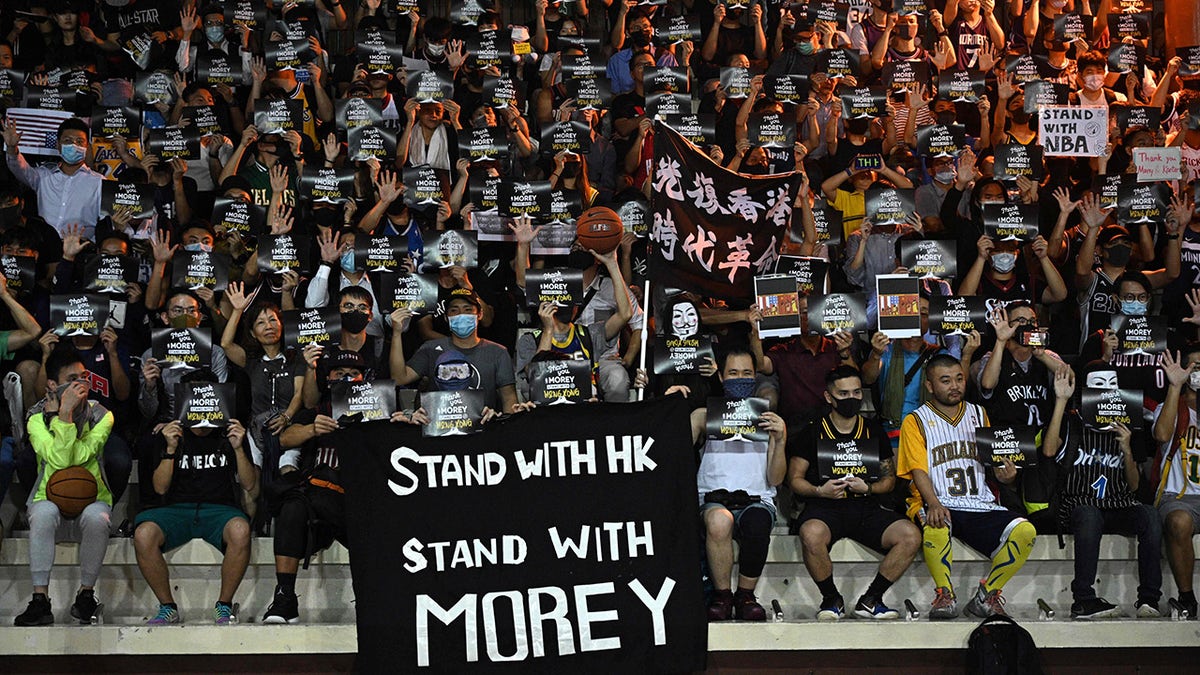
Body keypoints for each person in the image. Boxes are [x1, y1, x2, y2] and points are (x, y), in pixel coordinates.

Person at [267, 349, 424, 623]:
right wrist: (311, 430)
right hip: (318, 497)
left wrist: (402, 428)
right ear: (327, 378)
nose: (347, 379)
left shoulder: (383, 408)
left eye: (354, 374)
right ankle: (284, 597)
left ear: (365, 378)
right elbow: (284, 439)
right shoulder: (318, 411)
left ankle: (373, 597)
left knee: (377, 520)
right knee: (292, 509)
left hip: (364, 497)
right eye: (340, 374)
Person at [897, 354, 1037, 619]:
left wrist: (1005, 475)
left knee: (1025, 531)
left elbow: (991, 463)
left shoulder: (978, 413)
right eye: (946, 380)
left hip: (979, 502)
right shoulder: (914, 421)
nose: (955, 386)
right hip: (939, 501)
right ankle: (944, 596)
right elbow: (917, 470)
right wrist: (934, 503)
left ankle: (987, 596)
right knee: (935, 523)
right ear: (929, 386)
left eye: (959, 379)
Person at [789, 366, 922, 620]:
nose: (851, 398)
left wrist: (868, 487)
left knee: (910, 536)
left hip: (866, 507)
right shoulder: (812, 431)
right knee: (810, 533)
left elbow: (889, 480)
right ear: (829, 397)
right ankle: (831, 599)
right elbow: (794, 480)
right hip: (825, 507)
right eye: (843, 393)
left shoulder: (873, 430)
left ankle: (871, 600)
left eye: (856, 392)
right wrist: (820, 490)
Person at [1044, 361, 1163, 619]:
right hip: (1078, 504)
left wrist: (1128, 449)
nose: (1105, 391)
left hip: (1118, 504)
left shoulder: (1127, 423)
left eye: (1111, 385)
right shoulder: (1072, 422)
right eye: (1099, 385)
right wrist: (1061, 401)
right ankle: (1084, 599)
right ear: (1086, 389)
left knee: (1150, 515)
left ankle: (1149, 599)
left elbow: (1133, 486)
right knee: (1089, 514)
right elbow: (1049, 450)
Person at [688, 347, 787, 621]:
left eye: (746, 373)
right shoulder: (704, 415)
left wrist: (780, 440)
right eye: (733, 373)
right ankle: (722, 595)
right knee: (720, 522)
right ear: (721, 376)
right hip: (713, 498)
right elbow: (677, 448)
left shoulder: (768, 421)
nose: (739, 378)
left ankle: (746, 595)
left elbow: (777, 478)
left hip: (757, 498)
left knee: (756, 523)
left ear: (755, 377)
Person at [16, 349, 114, 626]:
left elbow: (73, 458)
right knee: (43, 513)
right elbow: (60, 461)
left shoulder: (103, 415)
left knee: (99, 517)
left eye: (84, 377)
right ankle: (40, 600)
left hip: (92, 496)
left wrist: (64, 417)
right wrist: (66, 414)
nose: (80, 384)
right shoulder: (35, 418)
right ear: (51, 385)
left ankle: (86, 596)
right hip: (49, 496)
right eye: (72, 379)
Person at [132, 413, 259, 625]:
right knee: (143, 534)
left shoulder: (229, 433)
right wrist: (170, 449)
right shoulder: (172, 433)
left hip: (219, 509)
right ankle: (167, 607)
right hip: (177, 510)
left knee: (240, 529)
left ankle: (224, 606)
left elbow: (249, 484)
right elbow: (160, 487)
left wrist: (237, 447)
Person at [390, 288, 519, 415]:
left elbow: (509, 398)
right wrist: (396, 333)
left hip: (484, 428)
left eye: (468, 310)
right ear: (446, 318)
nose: (461, 314)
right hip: (440, 428)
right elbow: (399, 378)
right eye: (454, 310)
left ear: (479, 314)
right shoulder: (430, 349)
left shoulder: (498, 352)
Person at [1152, 345, 1200, 620]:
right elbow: (1161, 435)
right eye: (1194, 366)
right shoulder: (1172, 406)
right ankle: (1187, 598)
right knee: (1179, 522)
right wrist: (1174, 387)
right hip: (1178, 496)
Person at [3, 116, 102, 238]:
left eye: (80, 141)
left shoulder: (99, 182)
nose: (74, 145)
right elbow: (19, 168)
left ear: (87, 147)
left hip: (81, 249)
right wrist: (12, 148)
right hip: (44, 247)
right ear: (58, 145)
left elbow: (106, 220)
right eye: (68, 140)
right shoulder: (43, 176)